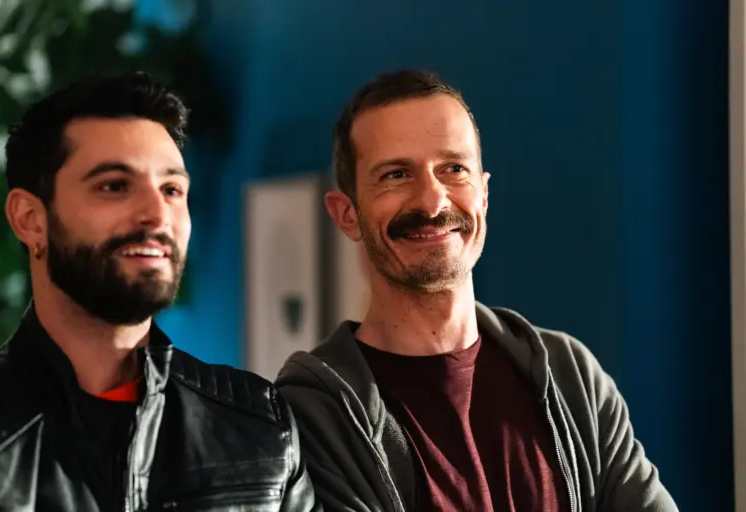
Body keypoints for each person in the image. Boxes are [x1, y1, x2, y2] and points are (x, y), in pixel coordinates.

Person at [276, 69, 677, 512]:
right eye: (396, 174)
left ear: (483, 195)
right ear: (347, 214)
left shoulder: (572, 376)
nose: (433, 201)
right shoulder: (313, 412)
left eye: (453, 169)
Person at [0, 72, 319, 511]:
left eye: (172, 189)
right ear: (30, 220)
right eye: (114, 186)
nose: (157, 215)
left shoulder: (260, 425)